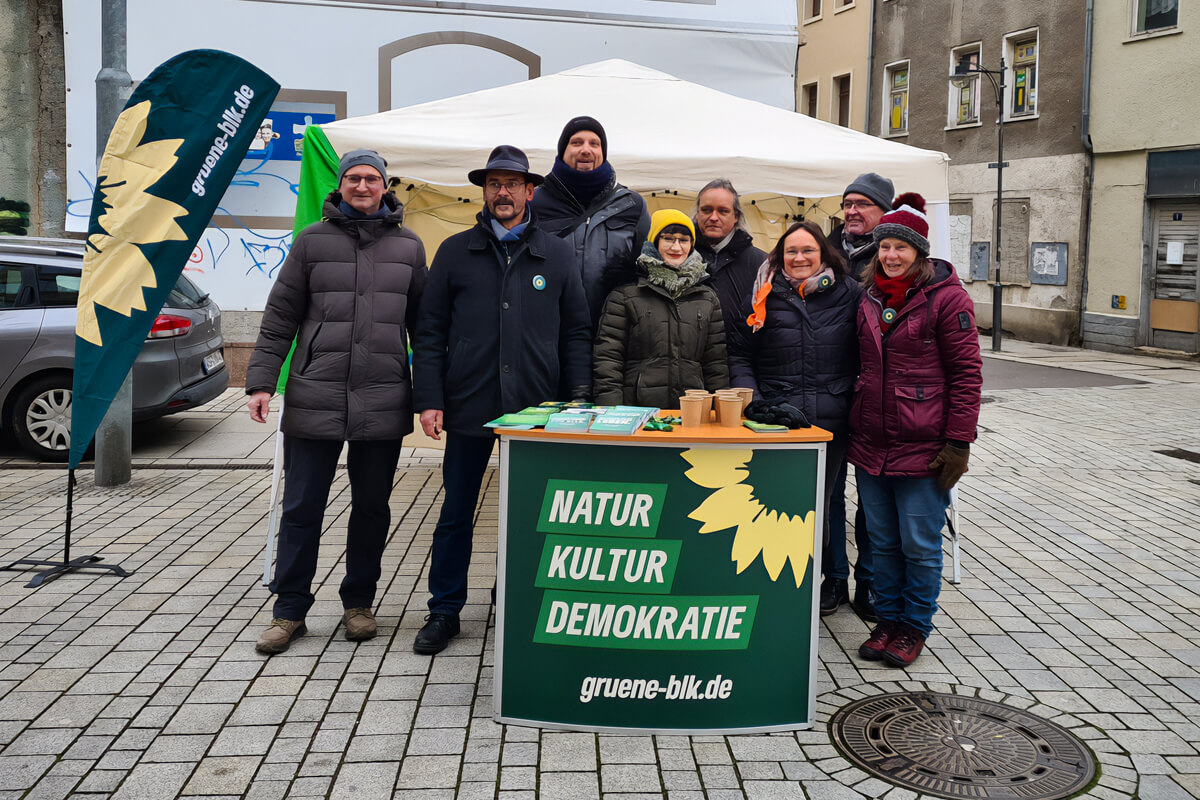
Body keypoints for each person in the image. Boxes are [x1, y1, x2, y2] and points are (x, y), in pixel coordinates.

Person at [411, 145, 591, 655]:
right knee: (456, 514)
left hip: (537, 411)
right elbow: (429, 332)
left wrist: (576, 398)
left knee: (537, 514)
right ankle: (444, 610)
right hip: (469, 405)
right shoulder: (453, 251)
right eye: (494, 183)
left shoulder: (555, 253)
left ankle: (527, 605)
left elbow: (577, 331)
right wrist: (429, 397)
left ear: (530, 191)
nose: (503, 192)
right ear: (484, 191)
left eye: (513, 183)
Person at [245, 148, 426, 655]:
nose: (362, 186)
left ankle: (359, 604)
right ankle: (289, 610)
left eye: (372, 178)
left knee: (372, 508)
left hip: (383, 396)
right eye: (354, 178)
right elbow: (280, 316)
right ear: (341, 185)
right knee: (302, 506)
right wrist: (261, 381)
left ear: (385, 187)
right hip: (314, 395)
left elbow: (425, 331)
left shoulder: (410, 247)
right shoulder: (311, 242)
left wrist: (428, 396)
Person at [849, 193, 982, 668]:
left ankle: (913, 627)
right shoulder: (868, 296)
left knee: (920, 546)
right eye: (884, 246)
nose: (890, 255)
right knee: (881, 541)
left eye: (900, 248)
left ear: (919, 252)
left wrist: (959, 442)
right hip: (872, 445)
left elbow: (967, 374)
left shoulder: (947, 299)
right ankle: (886, 620)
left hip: (925, 447)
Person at [728, 220, 860, 582]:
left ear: (823, 254)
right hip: (777, 420)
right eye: (791, 251)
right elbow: (739, 353)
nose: (799, 257)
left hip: (832, 419)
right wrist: (755, 400)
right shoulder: (763, 293)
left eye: (808, 250)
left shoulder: (849, 292)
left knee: (823, 503)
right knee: (780, 505)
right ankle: (783, 587)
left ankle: (822, 584)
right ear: (780, 256)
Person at [823, 172, 895, 621]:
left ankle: (868, 581)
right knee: (829, 493)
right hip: (830, 389)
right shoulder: (826, 253)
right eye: (847, 203)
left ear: (883, 212)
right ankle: (833, 578)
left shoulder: (892, 258)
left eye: (862, 204)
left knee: (872, 497)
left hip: (874, 395)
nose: (852, 210)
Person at [593, 209, 729, 406]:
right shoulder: (626, 294)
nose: (676, 246)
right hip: (637, 410)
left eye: (683, 240)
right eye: (668, 239)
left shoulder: (707, 298)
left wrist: (719, 409)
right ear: (654, 242)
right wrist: (610, 408)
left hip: (691, 410)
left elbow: (716, 363)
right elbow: (608, 359)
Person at [534, 116, 651, 329]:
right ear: (562, 150)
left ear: (602, 152)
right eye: (576, 142)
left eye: (594, 144)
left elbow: (644, 275)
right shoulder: (534, 203)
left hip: (612, 336)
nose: (586, 150)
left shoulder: (631, 205)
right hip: (548, 333)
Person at [692, 178, 767, 344]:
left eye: (723, 211)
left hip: (738, 363)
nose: (713, 217)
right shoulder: (679, 257)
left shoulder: (761, 264)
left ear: (736, 216)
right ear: (697, 214)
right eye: (706, 210)